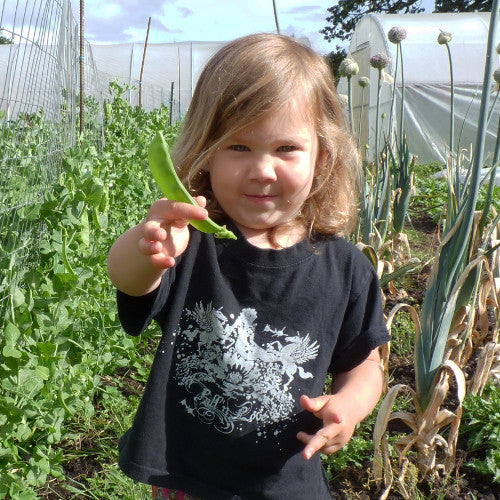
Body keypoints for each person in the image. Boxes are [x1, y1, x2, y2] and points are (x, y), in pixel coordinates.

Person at [107, 33, 390, 500]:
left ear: (323, 156)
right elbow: (128, 280)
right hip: (190, 477)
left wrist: (349, 407)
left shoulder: (346, 267)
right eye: (238, 147)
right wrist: (148, 247)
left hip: (286, 481)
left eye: (286, 149)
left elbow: (364, 364)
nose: (262, 170)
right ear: (207, 149)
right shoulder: (191, 242)